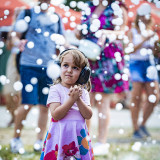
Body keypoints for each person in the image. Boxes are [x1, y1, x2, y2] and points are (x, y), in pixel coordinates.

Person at [10, 0, 66, 153]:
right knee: (27, 104)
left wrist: (66, 49)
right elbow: (15, 35)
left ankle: (40, 141)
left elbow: (62, 40)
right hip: (28, 65)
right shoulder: (27, 13)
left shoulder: (56, 16)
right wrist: (18, 42)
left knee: (45, 106)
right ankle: (16, 139)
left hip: (50, 67)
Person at [75, 0, 128, 154]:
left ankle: (101, 142)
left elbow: (122, 31)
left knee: (103, 100)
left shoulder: (117, 7)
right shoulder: (88, 7)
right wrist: (77, 33)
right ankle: (85, 141)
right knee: (86, 99)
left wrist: (108, 33)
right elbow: (81, 31)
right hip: (88, 55)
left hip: (107, 58)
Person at [40, 49, 94, 159]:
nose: (69, 70)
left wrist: (78, 99)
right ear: (58, 68)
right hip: (60, 134)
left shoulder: (82, 93)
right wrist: (71, 99)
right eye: (65, 65)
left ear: (83, 73)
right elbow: (56, 115)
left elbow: (88, 115)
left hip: (78, 136)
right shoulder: (55, 90)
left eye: (75, 68)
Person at [127, 3, 159, 139]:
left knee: (155, 97)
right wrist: (145, 40)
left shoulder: (153, 33)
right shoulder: (132, 32)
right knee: (136, 97)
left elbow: (156, 53)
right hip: (135, 63)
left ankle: (142, 124)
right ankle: (135, 128)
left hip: (149, 64)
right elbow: (129, 49)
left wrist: (156, 48)